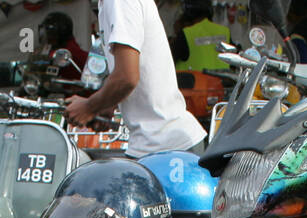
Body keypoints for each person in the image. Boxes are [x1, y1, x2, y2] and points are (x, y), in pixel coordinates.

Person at [65, 0, 205, 157]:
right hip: (156, 144)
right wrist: (106, 103)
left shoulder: (120, 2)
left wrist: (89, 107)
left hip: (165, 146)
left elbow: (126, 77)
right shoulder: (110, 4)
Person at [170, 1, 231, 71]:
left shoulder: (187, 34)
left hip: (195, 81)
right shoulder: (224, 32)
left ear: (189, 13)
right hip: (222, 81)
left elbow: (165, 60)